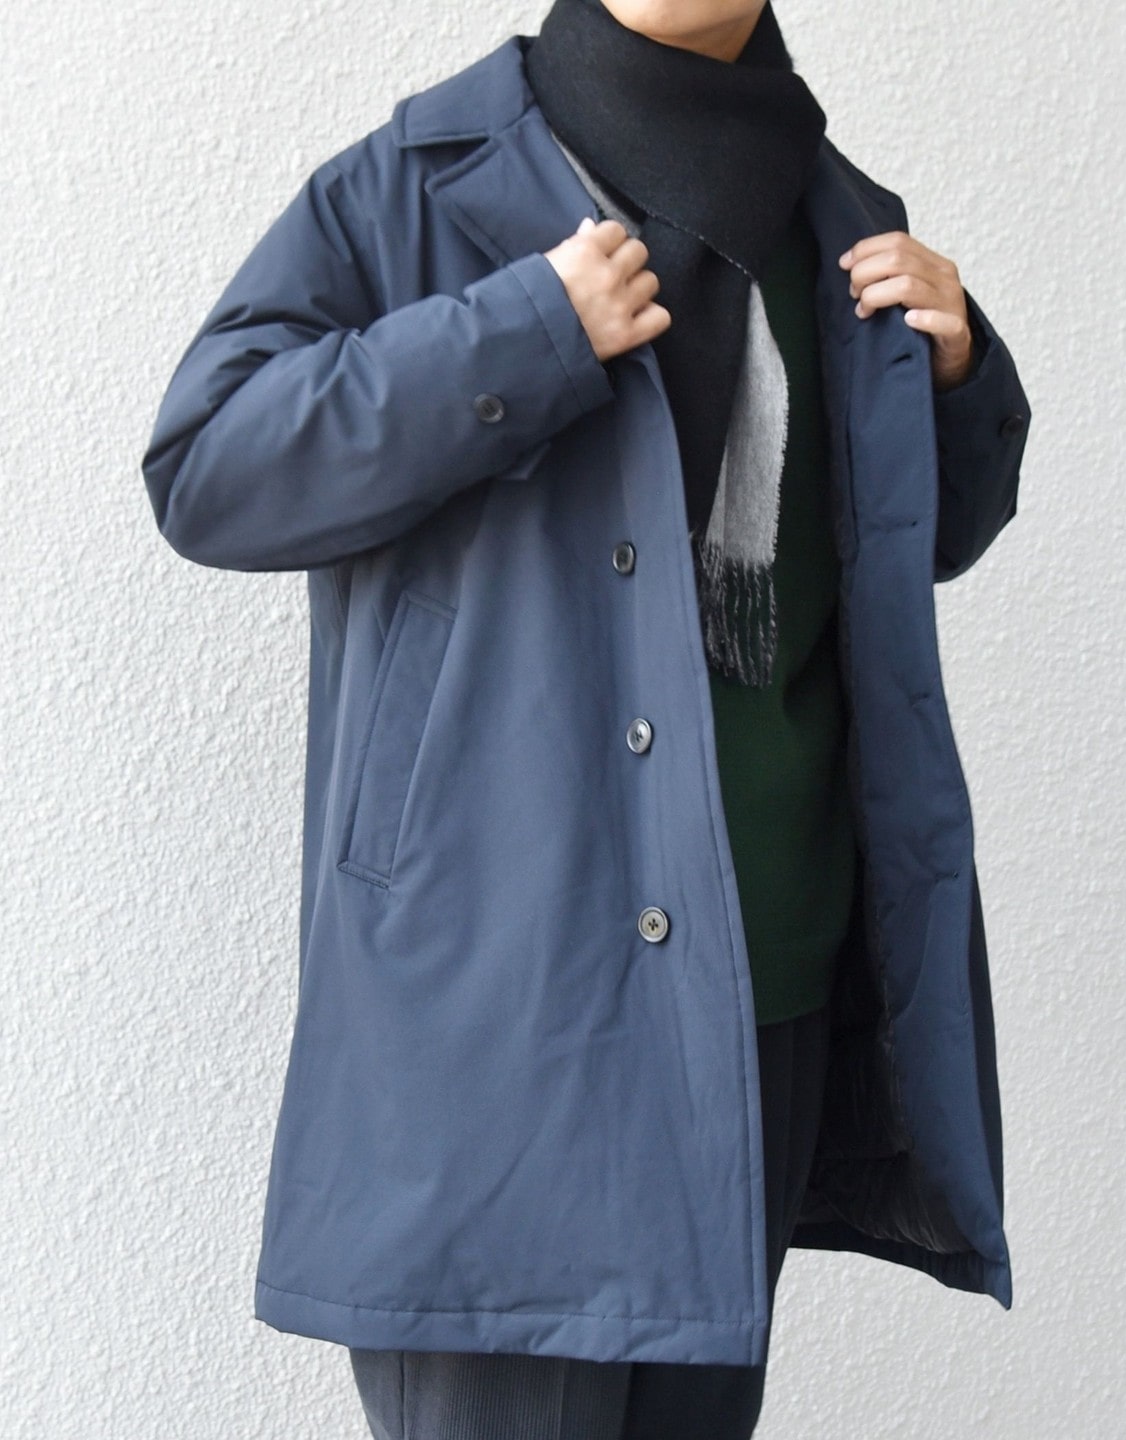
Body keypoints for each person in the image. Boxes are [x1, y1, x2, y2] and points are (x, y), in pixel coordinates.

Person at [139, 0, 1031, 1435]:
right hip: (506, 1016)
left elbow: (920, 540)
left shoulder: (841, 222)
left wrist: (962, 377)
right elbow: (210, 470)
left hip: (761, 992)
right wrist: (522, 331)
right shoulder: (412, 190)